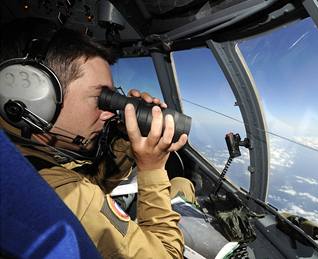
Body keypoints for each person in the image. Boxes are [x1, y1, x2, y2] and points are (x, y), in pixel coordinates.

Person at [0, 18, 195, 258]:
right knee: (183, 185)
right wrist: (152, 169)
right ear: (33, 98)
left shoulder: (23, 154)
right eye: (100, 98)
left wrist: (128, 138)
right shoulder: (64, 194)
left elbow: (91, 182)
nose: (109, 112)